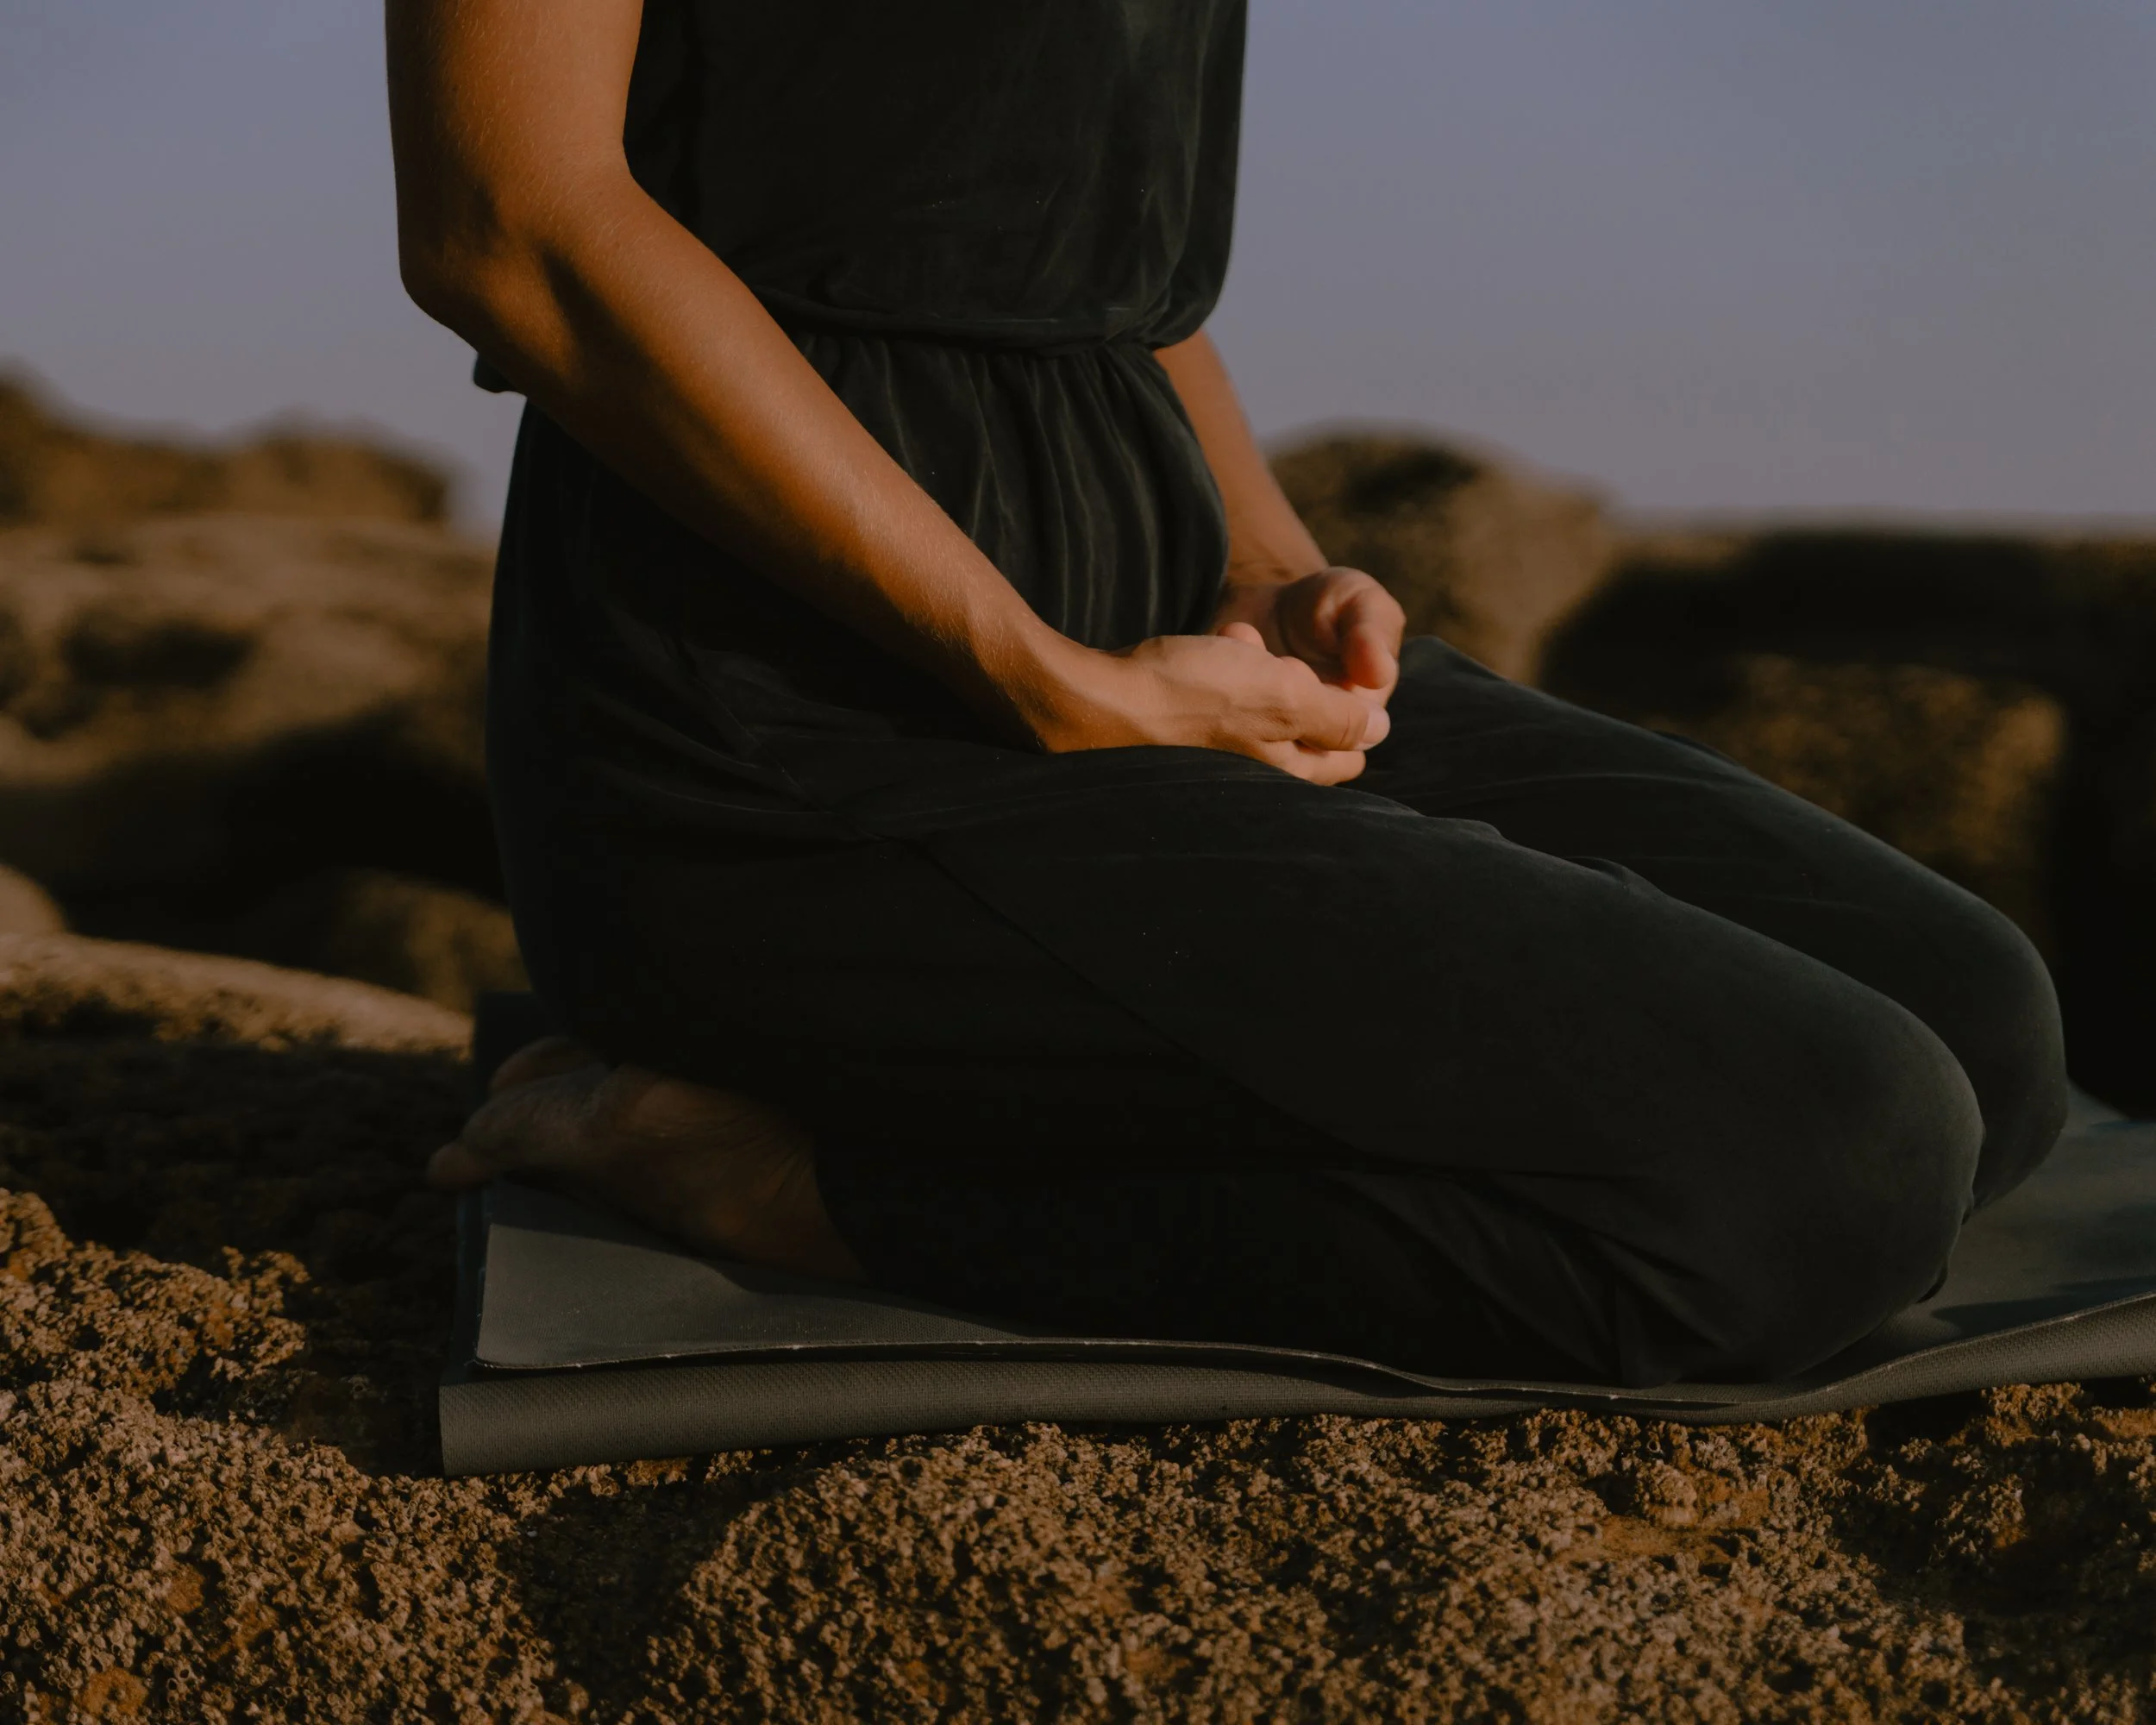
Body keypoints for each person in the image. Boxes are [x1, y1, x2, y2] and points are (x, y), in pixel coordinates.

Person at [386, 0, 2066, 1389]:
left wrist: (1260, 567)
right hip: (786, 727)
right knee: (1826, 1166)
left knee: (1974, 1024)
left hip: (1150, 635)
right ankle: (791, 1184)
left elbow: (1108, 274)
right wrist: (1025, 667)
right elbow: (509, 219)